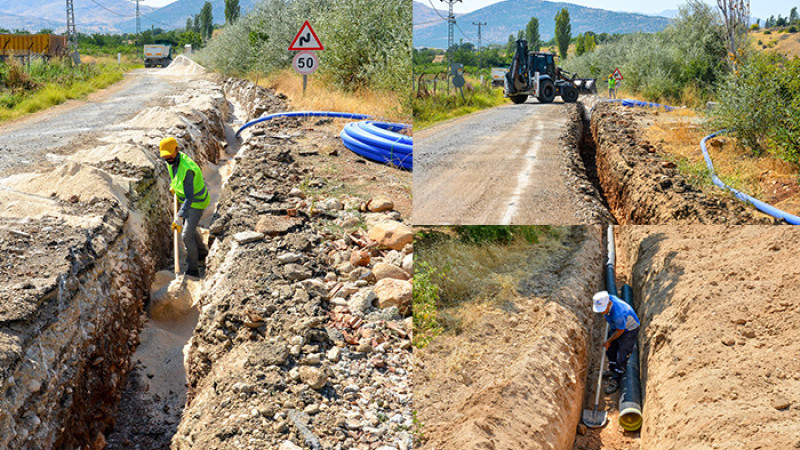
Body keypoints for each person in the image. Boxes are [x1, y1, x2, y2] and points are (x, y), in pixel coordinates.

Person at [159, 136, 209, 277]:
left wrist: (180, 215)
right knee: (190, 228)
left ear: (177, 149)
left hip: (196, 203)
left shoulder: (187, 169)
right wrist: (174, 186)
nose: (167, 157)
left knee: (186, 235)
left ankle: (193, 269)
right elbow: (176, 178)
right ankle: (201, 252)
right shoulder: (172, 161)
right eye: (165, 155)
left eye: (170, 154)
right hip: (187, 201)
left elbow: (190, 197)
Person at [592, 290, 640, 394]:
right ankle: (612, 369)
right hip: (616, 326)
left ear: (609, 304)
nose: (601, 312)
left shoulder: (618, 313)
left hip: (628, 330)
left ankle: (616, 378)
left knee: (622, 354)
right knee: (610, 350)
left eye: (602, 310)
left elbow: (621, 331)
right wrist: (610, 342)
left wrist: (609, 340)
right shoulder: (607, 298)